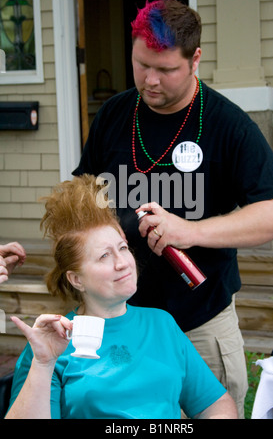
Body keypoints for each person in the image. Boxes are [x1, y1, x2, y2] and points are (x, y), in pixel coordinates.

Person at [72, 0, 273, 418]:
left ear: (195, 59)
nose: (150, 80)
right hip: (122, 322)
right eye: (141, 65)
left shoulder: (228, 125)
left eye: (166, 70)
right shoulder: (114, 115)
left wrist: (189, 231)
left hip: (199, 325)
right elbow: (84, 194)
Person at [6, 175, 237, 419]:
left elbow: (217, 405)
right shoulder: (51, 343)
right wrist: (43, 364)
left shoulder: (162, 324)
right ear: (77, 279)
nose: (122, 263)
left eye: (123, 248)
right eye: (104, 256)